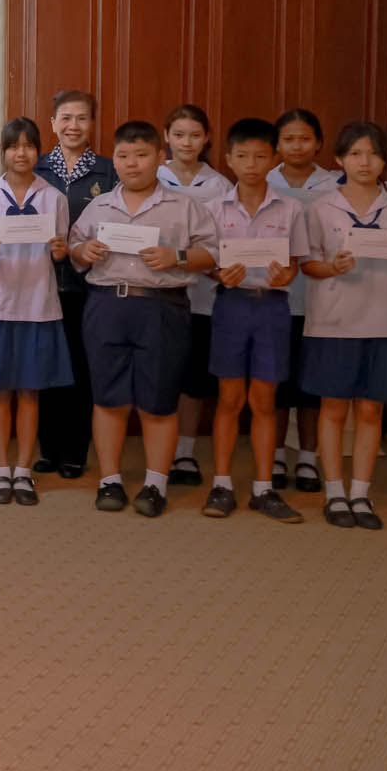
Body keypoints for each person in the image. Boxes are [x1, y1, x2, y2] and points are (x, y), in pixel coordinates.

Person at [65, 120, 217, 518]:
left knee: (158, 400)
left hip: (161, 306)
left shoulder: (184, 207)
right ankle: (110, 480)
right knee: (108, 397)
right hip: (107, 305)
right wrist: (85, 251)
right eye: (123, 156)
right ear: (113, 160)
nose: (132, 164)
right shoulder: (100, 205)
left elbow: (212, 253)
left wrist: (178, 257)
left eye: (141, 155)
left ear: (160, 158)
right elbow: (74, 245)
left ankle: (155, 484)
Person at [300, 121, 387, 530]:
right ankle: (334, 492)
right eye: (354, 153)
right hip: (333, 322)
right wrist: (332, 265)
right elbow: (309, 266)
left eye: (372, 154)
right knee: (334, 407)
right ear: (338, 159)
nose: (364, 161)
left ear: (384, 160)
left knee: (372, 409)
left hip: (385, 321)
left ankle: (361, 493)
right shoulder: (320, 207)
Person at [203, 118, 311, 523]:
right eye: (242, 155)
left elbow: (295, 263)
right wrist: (217, 274)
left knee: (264, 400)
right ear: (229, 159)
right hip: (231, 304)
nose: (251, 163)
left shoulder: (292, 208)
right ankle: (222, 484)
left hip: (273, 308)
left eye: (261, 155)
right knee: (229, 399)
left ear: (274, 159)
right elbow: (206, 262)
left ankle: (264, 489)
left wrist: (286, 275)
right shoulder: (214, 209)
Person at [0, 117, 72, 507]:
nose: (21, 153)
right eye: (13, 147)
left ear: (38, 151)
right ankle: (0, 469)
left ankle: (24, 470)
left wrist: (60, 251)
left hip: (38, 305)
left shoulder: (53, 197)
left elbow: (60, 251)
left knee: (30, 392)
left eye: (29, 146)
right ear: (4, 151)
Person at [38, 89, 116, 480]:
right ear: (52, 123)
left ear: (92, 123)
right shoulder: (34, 168)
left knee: (84, 370)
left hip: (90, 288)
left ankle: (74, 451)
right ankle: (47, 450)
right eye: (65, 118)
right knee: (47, 367)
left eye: (82, 118)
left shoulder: (109, 171)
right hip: (41, 287)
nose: (73, 126)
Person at [157, 104, 228, 487]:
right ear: (166, 137)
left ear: (207, 138)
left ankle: (184, 452)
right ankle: (159, 453)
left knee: (193, 379)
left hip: (203, 296)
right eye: (179, 134)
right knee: (161, 374)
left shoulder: (219, 185)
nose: (187, 142)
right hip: (156, 292)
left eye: (195, 135)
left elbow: (226, 240)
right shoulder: (151, 175)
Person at [268, 108, 338, 493]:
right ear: (276, 145)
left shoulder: (335, 186)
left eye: (305, 138)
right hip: (276, 296)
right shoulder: (262, 180)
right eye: (289, 139)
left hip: (321, 298)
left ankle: (308, 458)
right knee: (277, 382)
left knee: (312, 384)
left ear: (320, 143)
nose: (297, 146)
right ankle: (276, 454)